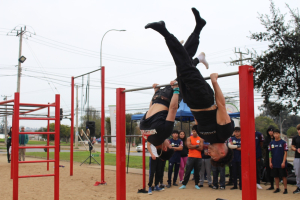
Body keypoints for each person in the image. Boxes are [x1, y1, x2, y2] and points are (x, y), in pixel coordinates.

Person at [145, 7, 233, 167]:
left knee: (183, 64)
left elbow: (198, 121)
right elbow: (221, 105)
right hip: (203, 98)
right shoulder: (224, 133)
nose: (209, 154)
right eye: (213, 156)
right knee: (183, 65)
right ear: (222, 153)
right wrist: (214, 81)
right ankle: (164, 31)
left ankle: (199, 30)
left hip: (190, 100)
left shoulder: (206, 138)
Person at [140, 81, 180, 157]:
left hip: (169, 97)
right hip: (156, 97)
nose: (169, 141)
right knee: (184, 72)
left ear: (165, 148)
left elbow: (173, 109)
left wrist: (176, 89)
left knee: (187, 75)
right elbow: (150, 109)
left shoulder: (165, 134)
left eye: (170, 145)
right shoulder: (146, 136)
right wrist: (156, 91)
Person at [268, 129, 288, 194]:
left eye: (277, 133)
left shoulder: (283, 143)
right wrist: (270, 162)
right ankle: (277, 188)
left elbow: (285, 153)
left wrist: (283, 162)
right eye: (274, 134)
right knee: (275, 176)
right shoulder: (271, 143)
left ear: (279, 134)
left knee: (283, 176)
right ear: (273, 134)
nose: (276, 135)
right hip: (274, 162)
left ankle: (285, 189)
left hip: (281, 162)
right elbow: (270, 153)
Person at [263, 125, 275, 190]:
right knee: (269, 170)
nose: (270, 132)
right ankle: (271, 184)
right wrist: (270, 146)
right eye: (269, 131)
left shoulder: (276, 138)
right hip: (268, 156)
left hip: (275, 156)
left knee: (276, 170)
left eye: (271, 131)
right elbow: (264, 145)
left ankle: (278, 185)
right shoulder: (267, 138)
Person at [291, 124, 300, 194]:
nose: (299, 131)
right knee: (297, 173)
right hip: (297, 157)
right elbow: (292, 147)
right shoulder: (295, 138)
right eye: (298, 130)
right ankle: (298, 187)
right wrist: (296, 149)